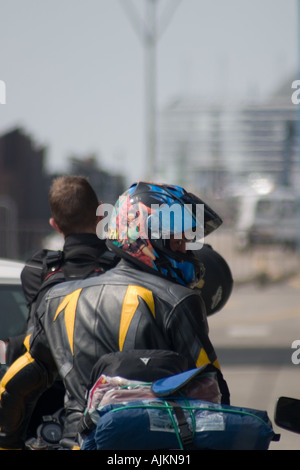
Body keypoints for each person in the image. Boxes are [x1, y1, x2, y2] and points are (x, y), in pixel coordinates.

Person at [0, 181, 230, 450]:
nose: (185, 250)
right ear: (145, 235)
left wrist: (9, 444)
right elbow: (212, 395)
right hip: (150, 448)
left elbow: (15, 384)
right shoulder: (177, 301)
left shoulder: (56, 299)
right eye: (178, 241)